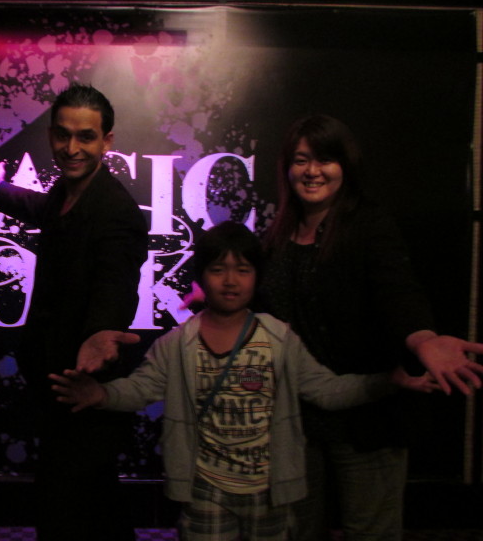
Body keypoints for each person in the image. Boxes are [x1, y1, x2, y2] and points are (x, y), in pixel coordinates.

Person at [50, 221, 437, 541]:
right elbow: (141, 388)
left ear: (258, 276)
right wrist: (101, 394)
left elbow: (325, 389)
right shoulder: (178, 344)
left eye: (243, 269)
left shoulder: (278, 337)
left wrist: (389, 381)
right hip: (204, 490)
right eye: (218, 269)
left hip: (269, 492)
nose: (230, 281)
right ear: (201, 276)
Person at [257, 114, 483, 540]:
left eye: (325, 159)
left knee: (371, 532)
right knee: (295, 530)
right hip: (299, 416)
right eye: (301, 160)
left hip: (368, 414)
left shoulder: (369, 226)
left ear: (346, 165)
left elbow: (398, 291)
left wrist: (424, 338)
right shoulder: (278, 233)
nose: (312, 171)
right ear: (287, 167)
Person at [0, 83, 148, 541]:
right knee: (91, 500)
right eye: (63, 135)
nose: (72, 148)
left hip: (83, 384)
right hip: (54, 380)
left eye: (86, 137)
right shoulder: (66, 192)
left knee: (68, 507)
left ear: (106, 141)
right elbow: (42, 208)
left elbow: (115, 281)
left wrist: (101, 332)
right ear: (51, 134)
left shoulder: (116, 210)